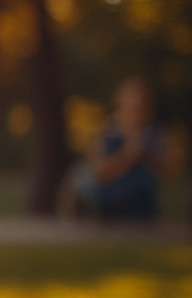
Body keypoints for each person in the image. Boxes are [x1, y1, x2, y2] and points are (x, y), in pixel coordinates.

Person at [70, 77, 168, 220]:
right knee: (79, 176)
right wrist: (128, 157)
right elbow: (98, 171)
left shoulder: (153, 132)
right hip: (109, 192)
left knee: (144, 178)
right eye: (134, 102)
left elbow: (168, 169)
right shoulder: (111, 131)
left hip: (140, 197)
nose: (138, 106)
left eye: (142, 102)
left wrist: (148, 156)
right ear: (121, 103)